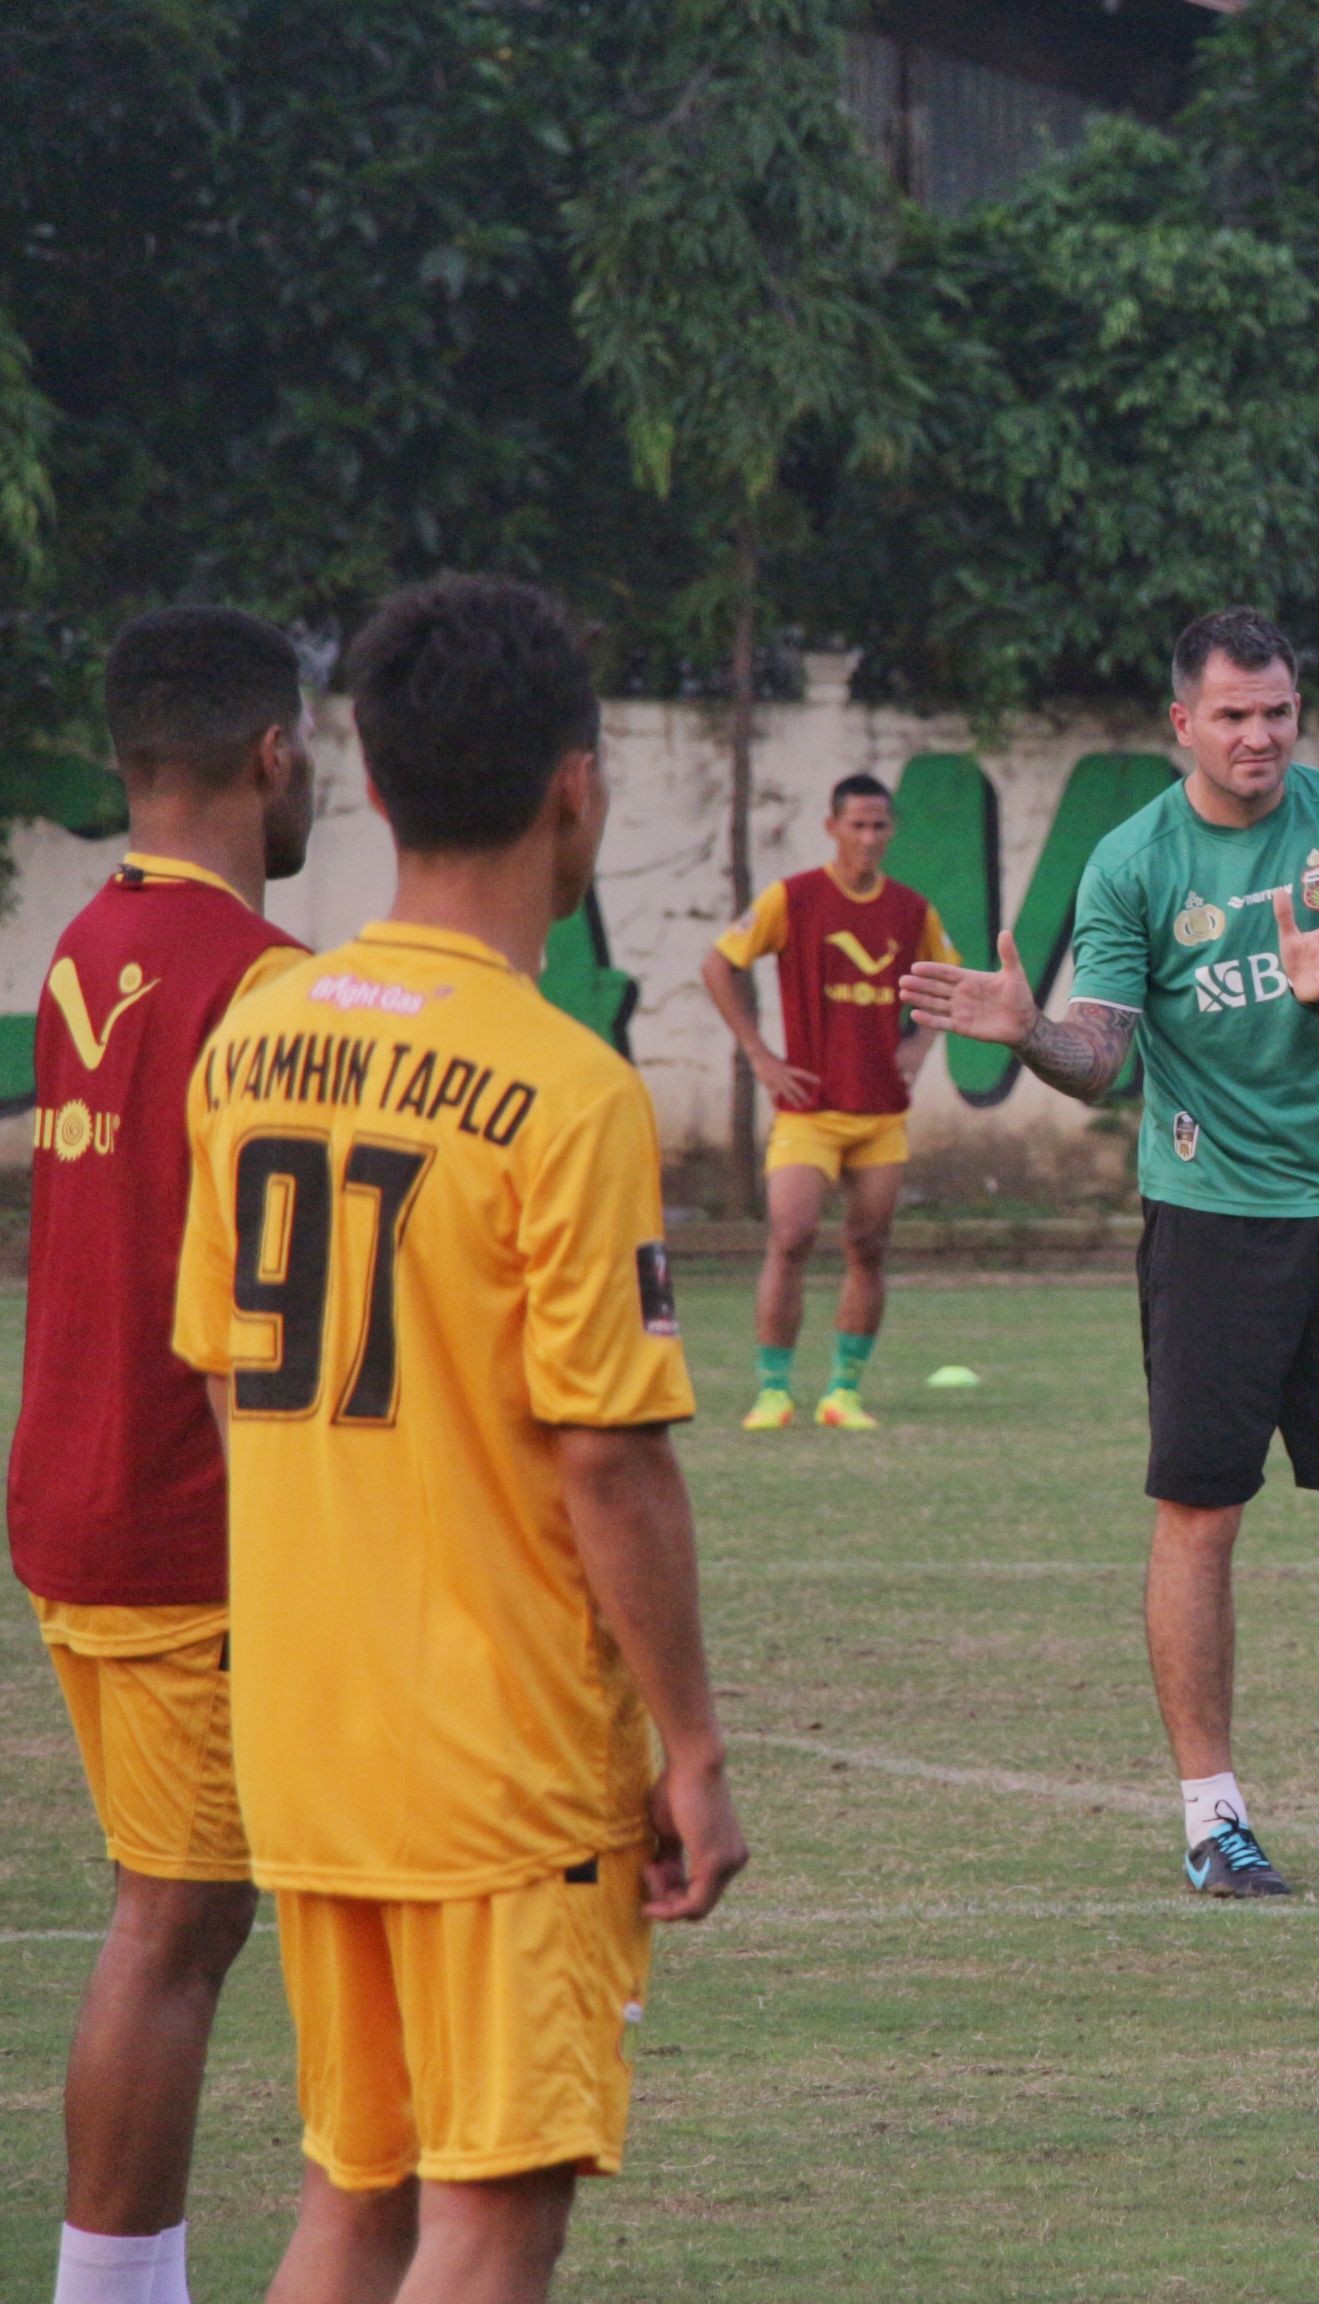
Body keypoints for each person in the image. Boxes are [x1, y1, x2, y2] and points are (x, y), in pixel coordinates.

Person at [172, 576, 746, 2299]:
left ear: (366, 768)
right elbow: (607, 1455)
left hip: (307, 1720)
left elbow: (218, 1372)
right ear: (574, 789)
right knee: (494, 2204)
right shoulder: (565, 1086)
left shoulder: (255, 1034)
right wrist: (694, 1741)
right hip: (491, 1753)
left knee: (360, 2189)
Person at [906, 607, 1319, 1898]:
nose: (1259, 736)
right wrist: (1028, 1030)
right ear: (1183, 725)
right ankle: (1213, 1815)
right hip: (1210, 1222)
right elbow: (1100, 1061)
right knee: (1201, 1512)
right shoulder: (1131, 864)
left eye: (1276, 712)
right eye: (1232, 715)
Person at [17, 608, 314, 2304]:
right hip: (178, 1515)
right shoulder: (264, 984)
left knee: (178, 1910)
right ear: (270, 756)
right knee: (178, 1919)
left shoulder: (83, 941)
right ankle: (109, 2285)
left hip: (69, 1484)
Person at [702, 773, 960, 1431]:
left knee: (868, 1245)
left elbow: (950, 980)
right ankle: (773, 1391)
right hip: (809, 1111)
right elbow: (718, 964)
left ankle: (844, 1393)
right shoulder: (795, 899)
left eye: (880, 826)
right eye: (858, 825)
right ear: (832, 827)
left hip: (880, 1114)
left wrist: (921, 1043)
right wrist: (760, 1054)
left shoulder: (910, 909)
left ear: (890, 830)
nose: (870, 838)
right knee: (790, 1236)